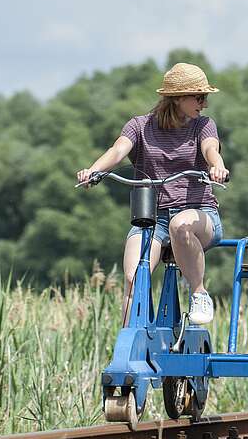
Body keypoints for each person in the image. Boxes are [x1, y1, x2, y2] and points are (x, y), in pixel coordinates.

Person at [77, 62, 228, 326]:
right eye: (199, 97)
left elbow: (210, 149)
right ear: (178, 97)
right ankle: (130, 341)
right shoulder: (140, 126)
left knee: (179, 225)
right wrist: (93, 170)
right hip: (153, 218)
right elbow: (118, 151)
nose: (204, 103)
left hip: (198, 214)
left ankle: (199, 292)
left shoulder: (203, 125)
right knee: (134, 276)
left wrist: (217, 166)